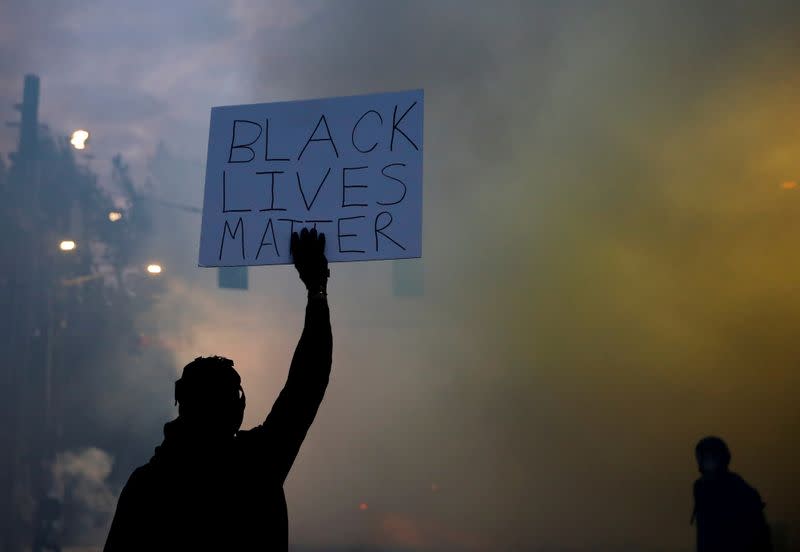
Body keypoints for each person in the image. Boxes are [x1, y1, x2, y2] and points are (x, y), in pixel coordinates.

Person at [103, 228, 332, 551]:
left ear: (182, 405)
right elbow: (308, 381)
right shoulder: (256, 465)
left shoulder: (148, 484)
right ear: (236, 408)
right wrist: (316, 289)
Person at [691, 436, 772, 552]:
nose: (710, 463)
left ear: (722, 459)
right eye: (705, 458)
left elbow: (758, 533)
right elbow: (704, 533)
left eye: (713, 458)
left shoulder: (739, 488)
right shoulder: (700, 488)